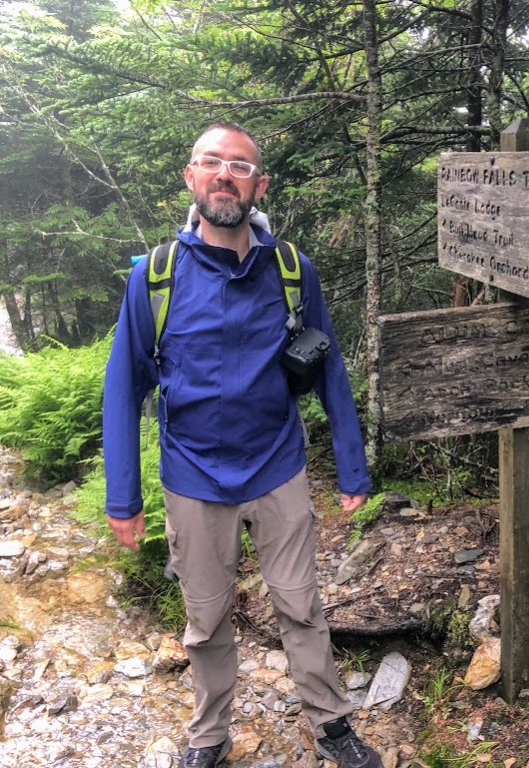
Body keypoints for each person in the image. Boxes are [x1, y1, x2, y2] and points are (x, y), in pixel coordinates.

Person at [102, 123, 381, 768]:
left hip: (278, 465)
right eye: (212, 163)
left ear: (258, 185)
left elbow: (330, 367)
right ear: (191, 177)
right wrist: (125, 498)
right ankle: (209, 736)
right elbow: (124, 388)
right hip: (192, 475)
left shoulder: (290, 269)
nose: (225, 175)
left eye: (240, 166)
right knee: (205, 619)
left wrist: (351, 468)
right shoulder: (155, 277)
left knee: (301, 605)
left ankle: (332, 725)